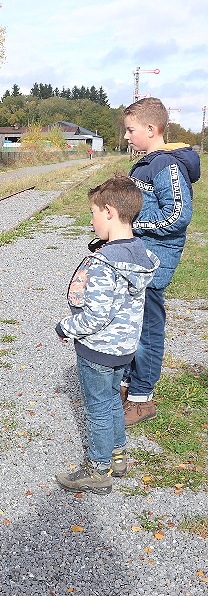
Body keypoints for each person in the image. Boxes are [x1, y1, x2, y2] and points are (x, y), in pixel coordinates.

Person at [55, 176, 159, 494]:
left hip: (99, 349)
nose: (91, 221)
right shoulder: (140, 254)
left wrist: (65, 327)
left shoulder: (104, 264)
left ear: (110, 212)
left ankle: (98, 470)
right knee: (113, 399)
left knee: (98, 406)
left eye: (94, 213)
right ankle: (117, 456)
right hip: (124, 348)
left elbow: (95, 317)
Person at [122, 97, 200, 426]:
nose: (126, 137)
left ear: (151, 129)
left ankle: (142, 400)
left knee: (148, 332)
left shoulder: (166, 165)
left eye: (131, 130)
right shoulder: (145, 163)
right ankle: (127, 386)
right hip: (137, 257)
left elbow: (178, 214)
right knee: (129, 325)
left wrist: (133, 224)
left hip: (153, 263)